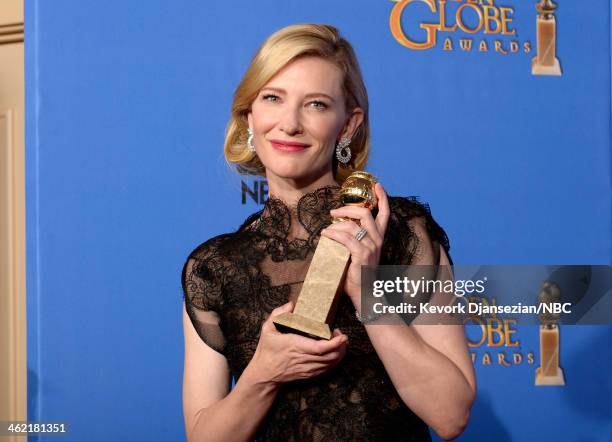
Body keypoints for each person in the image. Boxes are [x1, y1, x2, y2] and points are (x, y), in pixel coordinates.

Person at [181, 24, 476, 442]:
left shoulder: (400, 234)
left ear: (348, 125)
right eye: (272, 98)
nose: (290, 123)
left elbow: (452, 415)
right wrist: (261, 377)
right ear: (250, 116)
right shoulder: (214, 268)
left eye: (316, 105)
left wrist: (369, 293)